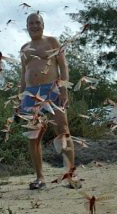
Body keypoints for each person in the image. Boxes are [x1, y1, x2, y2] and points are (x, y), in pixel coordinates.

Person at [18, 12, 79, 190]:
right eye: (31, 23)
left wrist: (64, 89)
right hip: (30, 94)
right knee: (33, 137)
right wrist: (20, 99)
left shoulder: (52, 42)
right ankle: (40, 178)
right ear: (27, 26)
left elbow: (63, 65)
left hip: (51, 90)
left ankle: (70, 175)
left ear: (43, 25)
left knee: (63, 130)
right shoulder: (24, 47)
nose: (34, 26)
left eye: (37, 22)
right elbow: (23, 75)